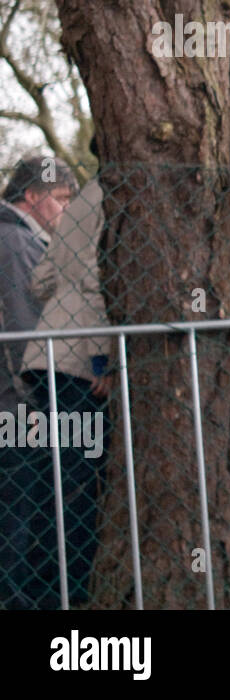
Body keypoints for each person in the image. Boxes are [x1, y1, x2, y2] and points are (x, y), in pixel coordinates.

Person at [0, 155, 77, 609]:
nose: (66, 210)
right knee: (19, 510)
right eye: (61, 199)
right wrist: (35, 393)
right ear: (32, 196)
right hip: (16, 403)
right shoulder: (15, 243)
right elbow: (25, 330)